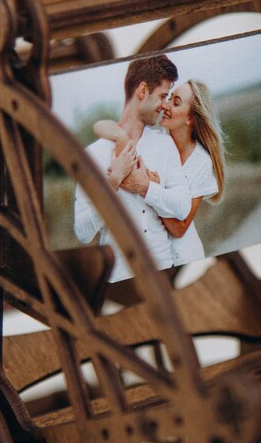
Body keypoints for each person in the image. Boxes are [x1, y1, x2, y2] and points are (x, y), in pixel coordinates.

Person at [73, 55, 190, 282]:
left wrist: (146, 187)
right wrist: (112, 182)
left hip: (165, 271)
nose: (165, 105)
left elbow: (183, 207)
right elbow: (83, 234)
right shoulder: (93, 155)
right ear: (143, 90)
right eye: (163, 96)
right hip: (118, 280)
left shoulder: (164, 144)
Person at [95, 78, 225, 266]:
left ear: (190, 118)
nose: (166, 105)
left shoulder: (201, 162)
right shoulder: (157, 144)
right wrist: (120, 136)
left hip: (183, 259)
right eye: (169, 98)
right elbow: (100, 126)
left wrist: (149, 188)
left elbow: (179, 229)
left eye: (176, 102)